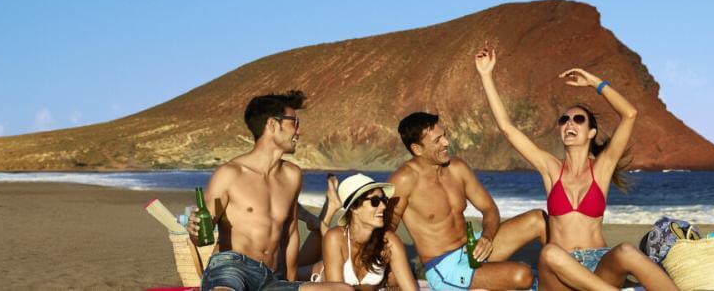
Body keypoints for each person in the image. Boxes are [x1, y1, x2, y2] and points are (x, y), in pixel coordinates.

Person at [474, 48, 679, 291]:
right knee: (550, 252)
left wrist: (593, 82)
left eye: (578, 120)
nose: (569, 123)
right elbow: (507, 128)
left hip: (598, 267)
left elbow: (630, 114)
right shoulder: (550, 168)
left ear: (591, 133)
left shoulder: (602, 168)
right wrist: (486, 75)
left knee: (625, 250)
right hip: (560, 273)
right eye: (564, 120)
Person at [195, 90, 350, 291]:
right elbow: (202, 232)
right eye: (294, 122)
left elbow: (291, 233)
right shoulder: (229, 174)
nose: (299, 132)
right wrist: (195, 230)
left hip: (272, 277)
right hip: (232, 268)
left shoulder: (292, 175)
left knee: (343, 289)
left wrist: (290, 283)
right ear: (272, 124)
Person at [387, 111, 547, 290]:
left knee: (538, 219)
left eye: (444, 136)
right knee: (521, 275)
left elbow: (489, 208)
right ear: (417, 149)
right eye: (437, 140)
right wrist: (391, 272)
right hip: (445, 267)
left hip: (472, 248)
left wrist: (486, 237)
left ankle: (566, 276)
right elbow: (385, 231)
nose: (446, 143)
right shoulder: (404, 180)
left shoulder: (457, 168)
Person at [310, 173, 419, 290]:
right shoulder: (335, 237)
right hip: (315, 276)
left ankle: (323, 217)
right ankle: (325, 212)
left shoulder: (390, 241)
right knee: (292, 271)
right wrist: (370, 288)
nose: (383, 206)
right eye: (375, 201)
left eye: (384, 200)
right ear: (354, 208)